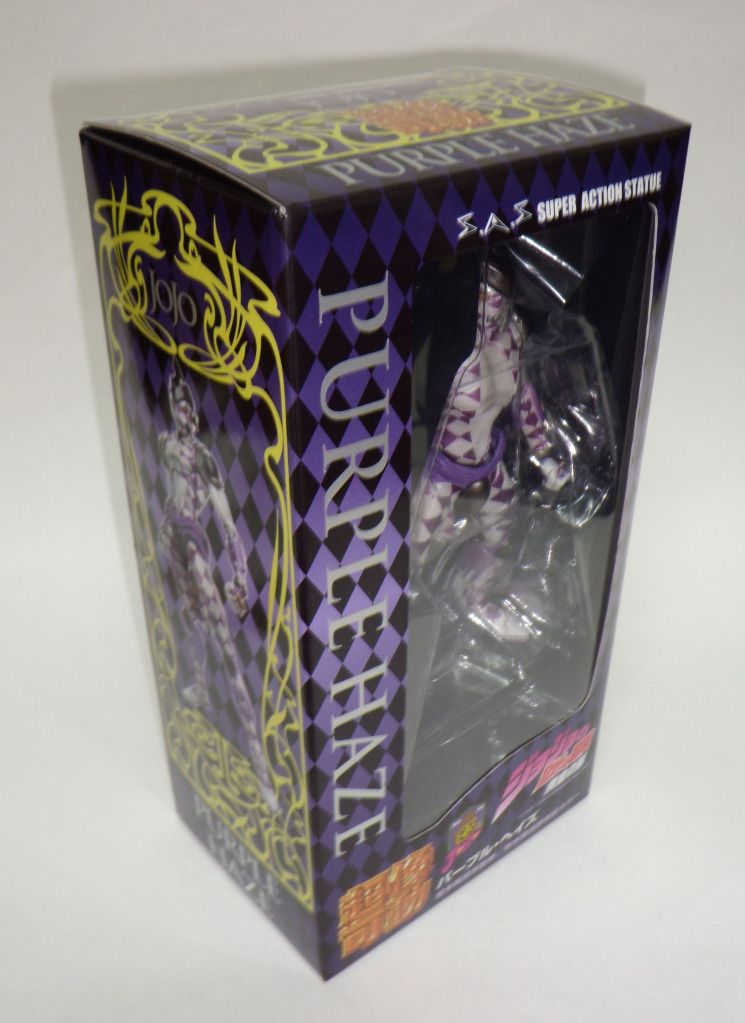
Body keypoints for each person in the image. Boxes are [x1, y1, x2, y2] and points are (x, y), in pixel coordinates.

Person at [411, 262, 569, 641]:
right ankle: (406, 625)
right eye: (481, 300)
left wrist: (544, 453)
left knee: (500, 538)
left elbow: (523, 396)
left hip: (490, 464)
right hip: (445, 471)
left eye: (495, 301)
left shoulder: (512, 337)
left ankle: (476, 599)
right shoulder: (452, 342)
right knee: (414, 554)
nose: (488, 311)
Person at [158, 366, 277, 811]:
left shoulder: (203, 459)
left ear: (194, 411)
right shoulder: (166, 445)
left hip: (193, 546)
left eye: (187, 404)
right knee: (189, 620)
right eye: (177, 403)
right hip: (172, 544)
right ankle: (200, 687)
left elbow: (228, 527)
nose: (183, 411)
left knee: (227, 649)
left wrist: (240, 576)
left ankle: (262, 774)